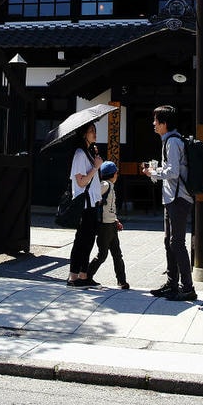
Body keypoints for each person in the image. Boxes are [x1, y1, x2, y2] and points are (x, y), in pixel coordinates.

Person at [141, 105, 196, 301]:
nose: (153, 124)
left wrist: (153, 172)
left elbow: (173, 172)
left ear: (164, 123)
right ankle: (172, 284)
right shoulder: (170, 141)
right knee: (169, 242)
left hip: (178, 198)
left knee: (177, 243)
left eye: (156, 120)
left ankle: (187, 287)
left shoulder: (172, 142)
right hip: (172, 197)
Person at [66, 121, 104, 287]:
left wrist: (95, 160)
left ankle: (82, 275)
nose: (94, 133)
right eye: (90, 131)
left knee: (87, 240)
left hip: (92, 203)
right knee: (82, 240)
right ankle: (75, 276)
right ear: (83, 134)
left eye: (94, 130)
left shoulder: (87, 153)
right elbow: (81, 182)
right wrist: (95, 167)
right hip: (84, 204)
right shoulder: (80, 154)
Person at [86, 160, 128, 290]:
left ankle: (122, 280)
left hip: (111, 224)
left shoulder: (109, 185)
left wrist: (115, 220)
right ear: (114, 174)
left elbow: (110, 207)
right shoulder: (105, 184)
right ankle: (87, 276)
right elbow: (93, 195)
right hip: (104, 225)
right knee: (102, 254)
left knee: (117, 254)